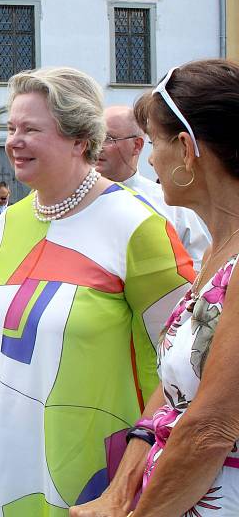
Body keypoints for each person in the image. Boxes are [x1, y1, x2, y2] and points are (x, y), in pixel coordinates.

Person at [0, 67, 194, 516]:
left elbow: (186, 362)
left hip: (95, 470)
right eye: (10, 128)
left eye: (30, 129)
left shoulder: (136, 225)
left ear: (80, 139)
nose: (14, 141)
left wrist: (129, 480)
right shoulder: (10, 223)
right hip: (9, 460)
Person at [71, 60, 239, 516]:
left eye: (157, 142)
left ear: (186, 149)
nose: (150, 158)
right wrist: (119, 491)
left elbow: (211, 428)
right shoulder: (216, 256)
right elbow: (174, 390)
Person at [96, 105, 210, 269]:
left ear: (137, 145)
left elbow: (198, 265)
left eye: (108, 138)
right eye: (95, 137)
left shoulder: (171, 204)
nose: (97, 146)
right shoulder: (73, 200)